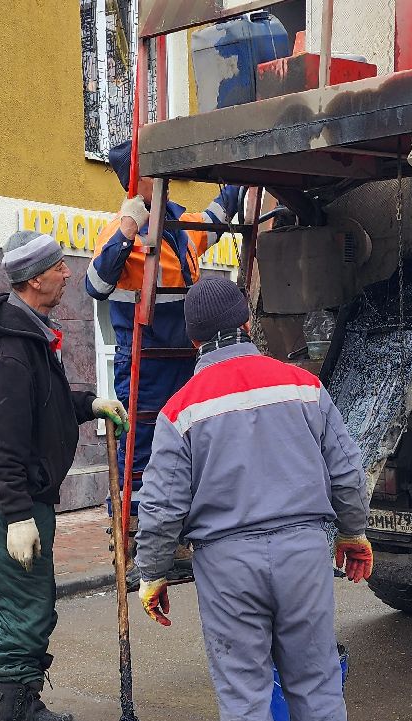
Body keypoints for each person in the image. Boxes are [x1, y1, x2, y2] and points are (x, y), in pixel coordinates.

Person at [133, 275, 375, 721]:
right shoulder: (303, 386)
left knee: (243, 689)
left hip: (228, 563)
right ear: (246, 324)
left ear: (195, 342)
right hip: (304, 554)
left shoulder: (181, 409)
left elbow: (161, 504)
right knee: (314, 678)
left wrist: (153, 572)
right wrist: (353, 533)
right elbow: (346, 469)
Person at [0, 230, 129, 721]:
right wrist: (15, 514)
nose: (67, 275)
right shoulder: (11, 349)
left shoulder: (29, 332)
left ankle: (27, 704)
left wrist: (88, 405)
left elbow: (47, 404)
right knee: (22, 611)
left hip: (30, 498)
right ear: (35, 278)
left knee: (37, 604)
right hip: (14, 504)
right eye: (60, 268)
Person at [86, 140, 246, 517]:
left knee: (189, 441)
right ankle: (136, 526)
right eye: (154, 174)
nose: (165, 181)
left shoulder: (179, 224)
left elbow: (217, 216)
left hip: (187, 359)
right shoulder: (119, 231)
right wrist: (127, 229)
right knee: (142, 446)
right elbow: (95, 285)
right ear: (134, 180)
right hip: (146, 361)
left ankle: (177, 521)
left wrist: (241, 173)